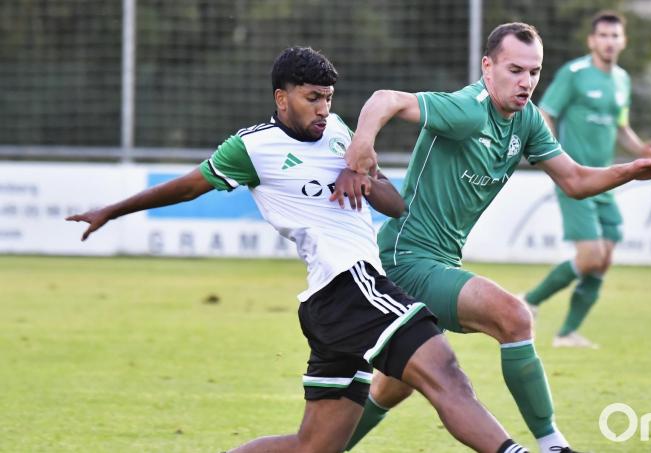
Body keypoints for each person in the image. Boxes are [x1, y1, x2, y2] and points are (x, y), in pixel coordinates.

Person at [66, 47, 531, 453]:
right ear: (281, 97)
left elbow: (395, 205)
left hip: (334, 302)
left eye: (328, 98)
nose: (323, 109)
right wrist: (112, 211)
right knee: (446, 374)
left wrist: (362, 174)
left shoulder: (338, 132)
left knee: (315, 447)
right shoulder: (252, 148)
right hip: (349, 285)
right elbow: (188, 186)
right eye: (312, 98)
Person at [334, 23, 651, 453]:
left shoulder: (527, 120)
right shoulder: (467, 109)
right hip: (407, 259)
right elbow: (384, 99)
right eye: (515, 70)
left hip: (440, 261)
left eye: (534, 72)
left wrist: (629, 170)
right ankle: (553, 445)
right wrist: (362, 144)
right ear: (488, 67)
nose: (526, 82)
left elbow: (574, 180)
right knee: (513, 316)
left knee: (392, 388)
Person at [522, 11, 651, 349]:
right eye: (603, 35)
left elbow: (620, 127)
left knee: (604, 258)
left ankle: (567, 333)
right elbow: (546, 113)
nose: (609, 41)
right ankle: (529, 301)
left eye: (615, 36)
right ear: (592, 40)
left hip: (606, 182)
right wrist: (554, 158)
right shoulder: (574, 74)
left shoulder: (622, 80)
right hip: (576, 179)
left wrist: (643, 151)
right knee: (589, 257)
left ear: (623, 41)